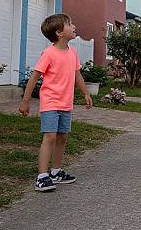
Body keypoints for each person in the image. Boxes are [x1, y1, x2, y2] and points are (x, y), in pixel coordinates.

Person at [19, 14, 92, 192]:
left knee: (62, 137)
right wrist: (26, 100)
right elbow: (34, 77)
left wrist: (86, 93)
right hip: (51, 102)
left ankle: (56, 171)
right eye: (69, 24)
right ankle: (42, 176)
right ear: (59, 33)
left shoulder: (72, 53)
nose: (73, 25)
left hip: (66, 103)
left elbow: (77, 75)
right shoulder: (49, 54)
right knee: (50, 136)